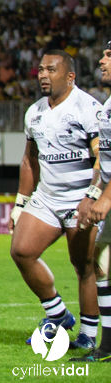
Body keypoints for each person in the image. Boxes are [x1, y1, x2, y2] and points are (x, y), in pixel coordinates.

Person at [9, 50, 102, 351]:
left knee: (84, 266)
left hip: (80, 199)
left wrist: (92, 196)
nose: (44, 75)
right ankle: (58, 314)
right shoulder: (34, 111)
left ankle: (88, 334)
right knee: (22, 251)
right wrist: (21, 203)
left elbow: (102, 158)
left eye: (51, 69)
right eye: (40, 69)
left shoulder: (88, 108)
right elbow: (29, 161)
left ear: (70, 76)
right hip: (47, 198)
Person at [72, 41, 111, 362]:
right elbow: (106, 161)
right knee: (101, 264)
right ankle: (108, 347)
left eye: (109, 55)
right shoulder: (109, 105)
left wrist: (105, 198)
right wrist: (92, 194)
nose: (101, 60)